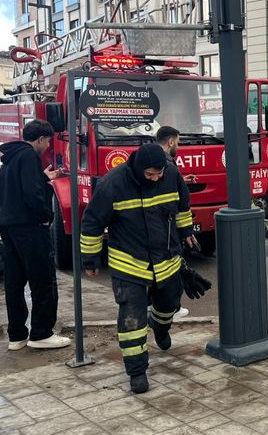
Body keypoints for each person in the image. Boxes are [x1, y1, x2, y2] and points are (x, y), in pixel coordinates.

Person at [81, 143, 211, 394]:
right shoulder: (112, 184)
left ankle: (161, 327)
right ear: (139, 169)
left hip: (166, 258)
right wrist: (90, 260)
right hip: (129, 262)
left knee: (169, 303)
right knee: (132, 319)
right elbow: (92, 223)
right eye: (150, 174)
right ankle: (137, 372)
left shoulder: (171, 174)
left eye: (159, 173)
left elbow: (182, 208)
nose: (156, 178)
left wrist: (186, 233)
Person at [0, 120, 70, 350]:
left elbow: (21, 188)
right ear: (40, 139)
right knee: (43, 280)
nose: (48, 146)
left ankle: (17, 336)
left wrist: (44, 179)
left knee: (15, 283)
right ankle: (41, 333)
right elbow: (31, 194)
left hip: (9, 226)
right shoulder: (29, 156)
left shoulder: (11, 157)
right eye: (48, 141)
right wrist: (44, 216)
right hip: (30, 228)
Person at [155, 126, 195, 319]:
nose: (177, 146)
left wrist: (182, 179)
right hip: (168, 226)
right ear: (171, 141)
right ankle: (173, 308)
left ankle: (153, 304)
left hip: (155, 225)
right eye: (178, 142)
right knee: (172, 267)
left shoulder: (151, 162)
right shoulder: (168, 164)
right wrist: (187, 231)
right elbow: (181, 201)